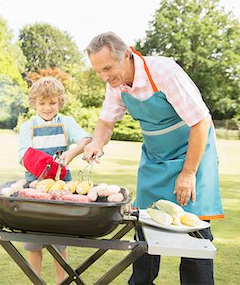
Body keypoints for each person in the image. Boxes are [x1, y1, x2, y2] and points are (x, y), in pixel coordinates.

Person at [82, 32, 224, 285]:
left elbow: (201, 121)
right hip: (156, 156)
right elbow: (106, 121)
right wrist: (96, 142)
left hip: (191, 153)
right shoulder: (116, 84)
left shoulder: (164, 71)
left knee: (192, 227)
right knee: (145, 224)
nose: (104, 77)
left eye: (107, 68)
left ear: (127, 54)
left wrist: (188, 172)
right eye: (98, 71)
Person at [18, 76, 91, 284]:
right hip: (35, 189)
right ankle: (36, 281)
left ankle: (62, 282)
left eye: (52, 102)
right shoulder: (28, 126)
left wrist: (72, 154)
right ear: (34, 103)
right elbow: (23, 154)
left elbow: (86, 139)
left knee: (59, 243)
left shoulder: (66, 123)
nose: (48, 108)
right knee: (34, 242)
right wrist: (47, 164)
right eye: (42, 103)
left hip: (62, 190)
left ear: (60, 102)